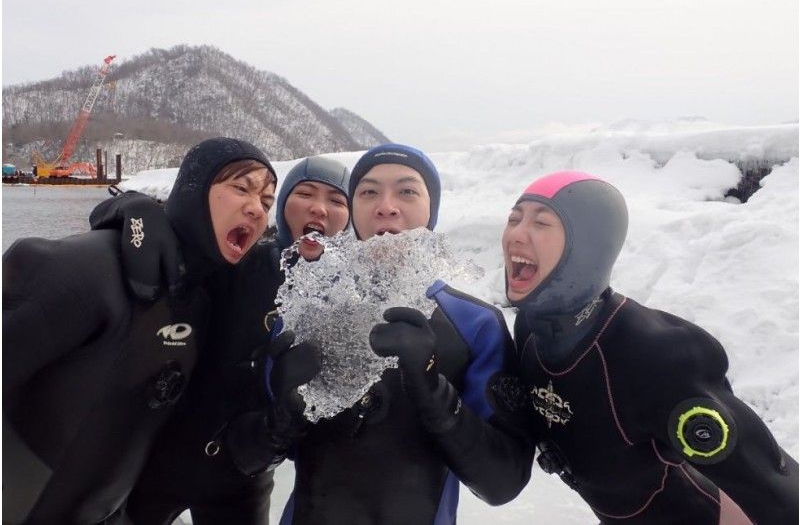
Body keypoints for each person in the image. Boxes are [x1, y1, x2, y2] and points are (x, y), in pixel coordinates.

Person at [2, 137, 276, 525]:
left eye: (267, 201)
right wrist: (124, 205)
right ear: (193, 192)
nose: (257, 208)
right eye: (241, 187)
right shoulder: (85, 270)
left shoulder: (207, 299)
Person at [504, 170, 798, 524]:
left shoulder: (653, 352)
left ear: (587, 246)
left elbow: (771, 481)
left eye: (541, 223)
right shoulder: (530, 335)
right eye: (514, 219)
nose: (516, 234)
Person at [272, 143, 534, 525]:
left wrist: (434, 395)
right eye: (369, 192)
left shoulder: (475, 324)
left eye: (407, 191)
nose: (386, 206)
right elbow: (254, 456)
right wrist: (281, 411)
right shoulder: (306, 309)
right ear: (355, 211)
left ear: (432, 211)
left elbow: (502, 483)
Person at [87, 155, 350, 524]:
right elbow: (184, 231)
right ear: (284, 203)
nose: (319, 207)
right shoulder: (238, 261)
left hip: (244, 477)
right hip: (160, 462)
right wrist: (131, 207)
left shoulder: (347, 300)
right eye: (305, 192)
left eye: (337, 200)